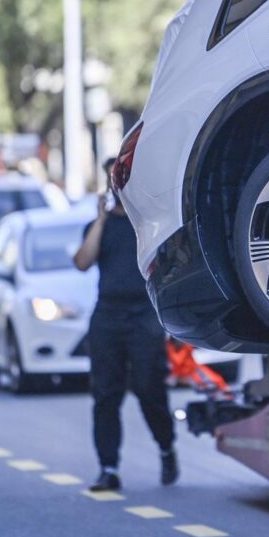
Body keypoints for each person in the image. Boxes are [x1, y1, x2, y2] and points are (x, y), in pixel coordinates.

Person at [74, 157, 177, 492]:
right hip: (107, 315)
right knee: (105, 394)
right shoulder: (99, 226)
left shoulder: (148, 223)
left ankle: (166, 446)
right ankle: (108, 468)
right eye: (110, 182)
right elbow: (82, 262)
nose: (115, 188)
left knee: (149, 387)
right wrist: (101, 220)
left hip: (144, 314)